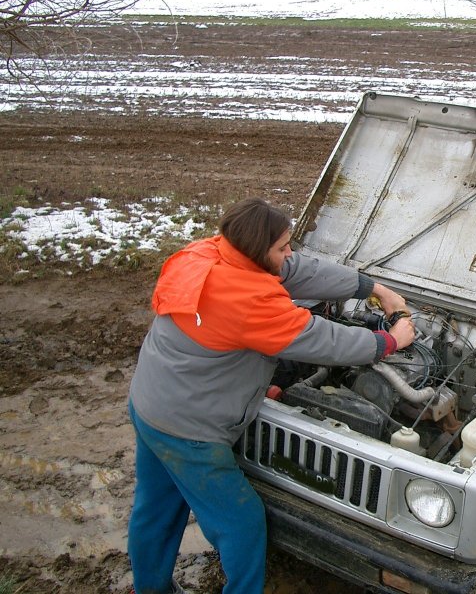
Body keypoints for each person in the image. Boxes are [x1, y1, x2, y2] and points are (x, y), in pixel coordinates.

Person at [127, 197, 415, 594]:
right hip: (189, 429)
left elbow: (297, 270)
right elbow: (320, 339)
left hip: (150, 402)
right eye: (282, 247)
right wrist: (388, 341)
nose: (290, 253)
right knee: (241, 524)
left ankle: (149, 589)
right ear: (258, 250)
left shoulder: (207, 252)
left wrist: (372, 287)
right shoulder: (247, 299)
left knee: (155, 511)